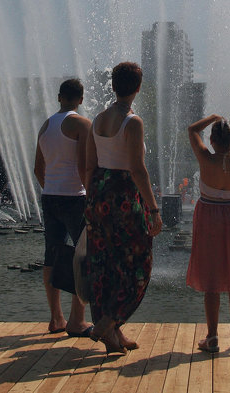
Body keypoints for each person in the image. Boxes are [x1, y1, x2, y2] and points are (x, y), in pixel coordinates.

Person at [84, 61, 163, 354]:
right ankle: (108, 322)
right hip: (125, 197)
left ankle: (113, 336)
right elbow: (138, 169)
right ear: (138, 87)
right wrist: (153, 210)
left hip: (99, 195)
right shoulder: (133, 122)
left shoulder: (97, 120)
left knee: (105, 264)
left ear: (114, 85)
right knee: (139, 265)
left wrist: (90, 200)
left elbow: (90, 165)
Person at [186, 106, 230, 353]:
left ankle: (212, 336)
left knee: (211, 279)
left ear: (213, 140)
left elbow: (192, 129)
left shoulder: (205, 158)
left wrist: (212, 118)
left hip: (208, 217)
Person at [34, 78, 92, 337]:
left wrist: (52, 187)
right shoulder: (81, 124)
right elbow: (84, 166)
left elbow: (38, 169)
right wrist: (90, 193)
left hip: (50, 196)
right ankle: (76, 320)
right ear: (80, 99)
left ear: (59, 97)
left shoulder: (45, 126)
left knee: (52, 255)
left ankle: (55, 318)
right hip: (75, 196)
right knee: (82, 256)